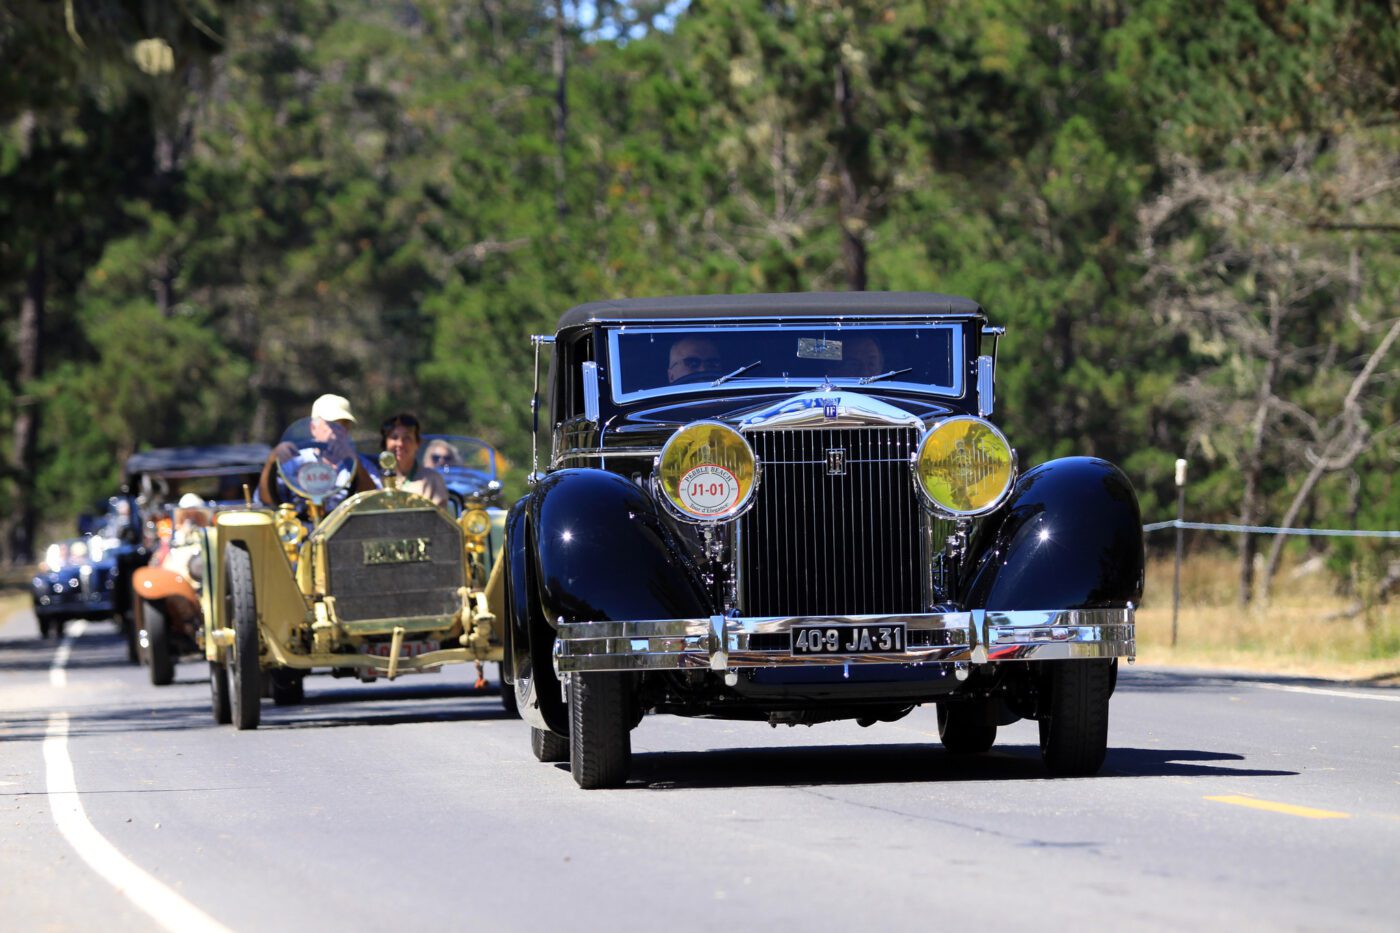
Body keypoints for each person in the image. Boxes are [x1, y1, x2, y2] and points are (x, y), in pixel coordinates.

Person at [258, 393, 377, 507]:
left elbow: (373, 500)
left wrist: (355, 464)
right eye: (331, 424)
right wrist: (271, 462)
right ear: (313, 427)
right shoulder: (293, 462)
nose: (337, 430)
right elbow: (266, 501)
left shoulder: (360, 463)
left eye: (344, 424)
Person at [381, 412, 449, 508]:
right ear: (385, 443)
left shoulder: (433, 480)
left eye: (407, 438)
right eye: (394, 437)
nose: (400, 444)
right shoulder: (376, 479)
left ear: (417, 443)